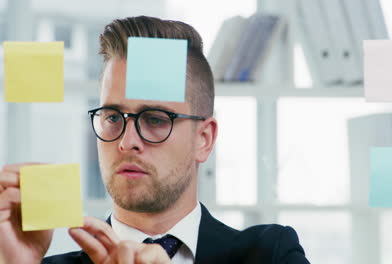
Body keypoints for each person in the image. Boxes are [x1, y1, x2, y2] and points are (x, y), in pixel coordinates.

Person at [0, 16, 310, 264]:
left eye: (155, 120)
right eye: (113, 118)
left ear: (204, 139)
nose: (127, 141)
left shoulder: (269, 253)